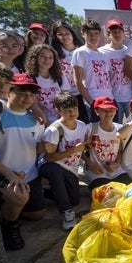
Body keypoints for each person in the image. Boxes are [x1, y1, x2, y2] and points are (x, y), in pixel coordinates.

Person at [0, 74, 47, 250]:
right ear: (9, 92)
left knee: (37, 214)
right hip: (2, 174)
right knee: (19, 196)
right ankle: (9, 226)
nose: (27, 98)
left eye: (31, 95)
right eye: (22, 93)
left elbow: (36, 148)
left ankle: (6, 210)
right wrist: (8, 175)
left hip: (29, 175)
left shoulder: (36, 119)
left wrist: (46, 147)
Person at [38, 92, 88, 230]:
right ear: (58, 111)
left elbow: (81, 149)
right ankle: (66, 212)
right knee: (55, 171)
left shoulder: (82, 126)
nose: (72, 112)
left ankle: (41, 192)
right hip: (51, 165)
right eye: (67, 110)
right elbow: (49, 157)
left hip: (70, 167)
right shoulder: (54, 130)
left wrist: (89, 162)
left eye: (74, 108)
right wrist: (72, 150)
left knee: (74, 200)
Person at [82, 96, 132, 190]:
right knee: (104, 194)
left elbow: (121, 150)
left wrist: (117, 163)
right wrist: (90, 164)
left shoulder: (120, 129)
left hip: (116, 170)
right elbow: (79, 151)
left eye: (111, 110)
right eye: (104, 110)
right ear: (97, 112)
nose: (108, 113)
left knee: (128, 190)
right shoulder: (90, 129)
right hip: (97, 172)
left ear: (116, 111)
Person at [72, 19, 111, 123]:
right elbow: (78, 82)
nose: (93, 37)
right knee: (95, 135)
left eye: (96, 34)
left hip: (109, 99)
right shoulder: (80, 52)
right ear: (82, 34)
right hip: (94, 100)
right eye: (89, 34)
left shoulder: (103, 54)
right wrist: (91, 102)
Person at [25, 43, 71, 125]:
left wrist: (61, 123)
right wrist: (50, 126)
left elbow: (66, 101)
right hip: (40, 122)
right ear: (34, 58)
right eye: (42, 56)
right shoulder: (29, 77)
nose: (47, 60)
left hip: (61, 121)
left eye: (51, 57)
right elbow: (34, 106)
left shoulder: (60, 76)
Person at [51, 20, 86, 123]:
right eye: (60, 34)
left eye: (67, 33)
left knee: (85, 122)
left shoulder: (82, 49)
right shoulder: (55, 53)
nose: (64, 37)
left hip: (84, 92)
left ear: (72, 33)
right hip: (66, 94)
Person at [99, 18, 132, 122]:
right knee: (115, 128)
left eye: (119, 31)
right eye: (113, 32)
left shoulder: (129, 50)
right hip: (112, 97)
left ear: (123, 33)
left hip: (130, 96)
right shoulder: (102, 52)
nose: (117, 34)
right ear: (108, 34)